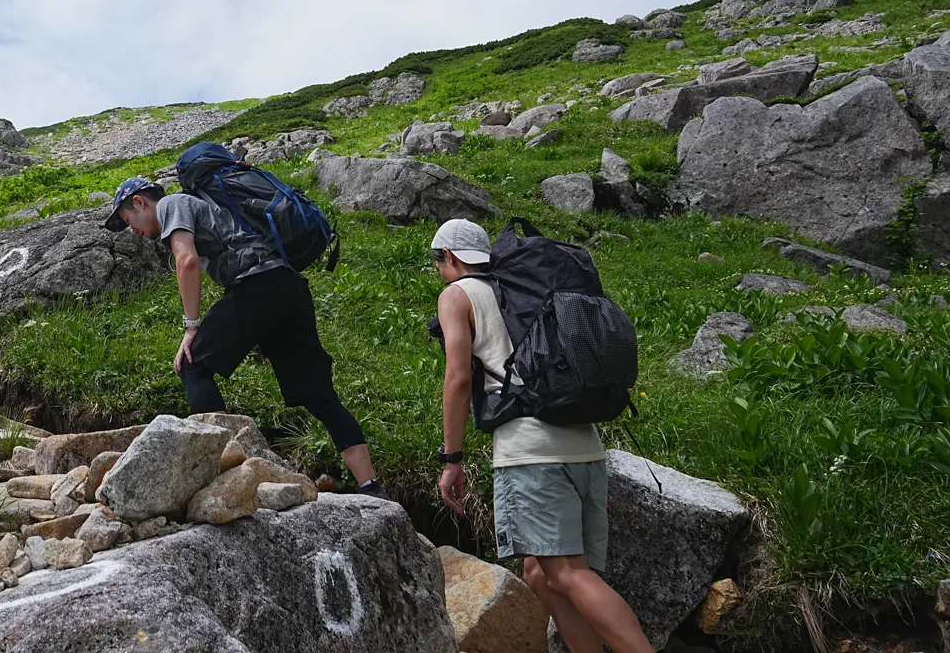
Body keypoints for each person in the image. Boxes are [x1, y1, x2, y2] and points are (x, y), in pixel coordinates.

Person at [430, 218, 650, 653]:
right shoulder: (530, 290)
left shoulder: (459, 294)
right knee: (538, 572)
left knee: (567, 573)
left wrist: (451, 458)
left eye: (437, 262)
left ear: (449, 257)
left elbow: (457, 378)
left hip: (531, 452)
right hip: (584, 446)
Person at [105, 176, 385, 496]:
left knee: (192, 362)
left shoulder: (171, 204)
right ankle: (371, 487)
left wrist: (191, 327)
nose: (135, 232)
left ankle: (216, 474)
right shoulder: (203, 208)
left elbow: (187, 261)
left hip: (257, 285)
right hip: (287, 287)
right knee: (318, 395)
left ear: (140, 202)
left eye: (129, 221)